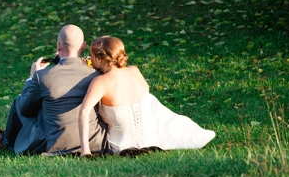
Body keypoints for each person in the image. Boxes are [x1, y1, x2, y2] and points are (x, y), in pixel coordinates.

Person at [0, 24, 109, 155]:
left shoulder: (42, 76)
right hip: (93, 141)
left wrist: (32, 78)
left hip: (54, 143)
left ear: (58, 46)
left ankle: (6, 141)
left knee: (19, 101)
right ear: (83, 46)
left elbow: (25, 109)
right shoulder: (97, 75)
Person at [78, 36, 215, 156]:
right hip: (151, 139)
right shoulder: (134, 71)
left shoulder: (100, 82)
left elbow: (84, 112)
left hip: (120, 145)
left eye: (92, 56)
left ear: (99, 59)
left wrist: (86, 151)